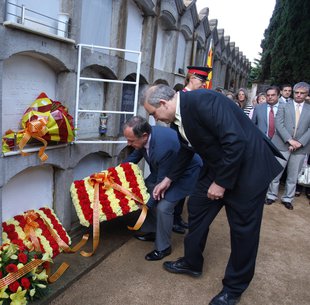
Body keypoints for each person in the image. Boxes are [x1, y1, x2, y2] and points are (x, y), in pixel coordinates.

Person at [141, 84, 283, 305]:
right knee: (197, 207)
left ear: (163, 103)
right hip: (219, 164)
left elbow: (236, 141)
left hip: (248, 169)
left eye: (153, 114)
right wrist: (168, 179)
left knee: (243, 230)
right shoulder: (179, 116)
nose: (156, 119)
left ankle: (233, 289)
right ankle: (192, 262)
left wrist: (221, 183)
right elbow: (187, 148)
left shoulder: (203, 101)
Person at [122, 115, 202, 261]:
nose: (128, 144)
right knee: (145, 190)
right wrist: (114, 175)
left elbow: (160, 188)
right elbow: (132, 159)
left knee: (163, 206)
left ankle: (163, 247)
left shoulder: (163, 148)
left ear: (144, 136)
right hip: (165, 170)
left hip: (186, 174)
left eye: (131, 141)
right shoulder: (144, 137)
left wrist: (145, 204)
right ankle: (152, 231)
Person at [173, 65, 212, 234]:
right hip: (181, 147)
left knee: (188, 184)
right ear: (192, 78)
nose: (204, 84)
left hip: (196, 148)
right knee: (178, 182)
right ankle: (173, 218)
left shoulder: (198, 97)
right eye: (202, 80)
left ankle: (178, 217)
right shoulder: (179, 97)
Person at [266, 82, 310, 209]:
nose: (299, 95)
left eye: (302, 93)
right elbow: (279, 125)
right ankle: (271, 195)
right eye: (296, 92)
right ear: (293, 92)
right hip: (282, 144)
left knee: (293, 175)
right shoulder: (283, 106)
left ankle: (287, 199)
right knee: (276, 173)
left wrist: (300, 143)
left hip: (301, 148)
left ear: (307, 94)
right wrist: (290, 140)